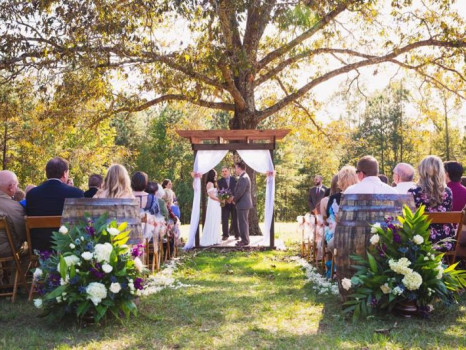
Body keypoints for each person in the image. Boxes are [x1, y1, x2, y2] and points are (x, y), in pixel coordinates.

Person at [26, 157, 84, 251]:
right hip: (68, 245)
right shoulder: (76, 193)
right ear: (64, 173)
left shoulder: (31, 194)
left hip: (39, 246)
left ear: (47, 173)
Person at [408, 156, 454, 251]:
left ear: (422, 171)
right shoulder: (448, 192)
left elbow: (409, 218)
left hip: (421, 241)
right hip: (445, 241)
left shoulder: (413, 192)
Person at [0, 170, 26, 258]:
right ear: (10, 187)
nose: (17, 188)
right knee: (28, 254)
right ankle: (15, 271)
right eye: (16, 185)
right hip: (5, 251)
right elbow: (23, 233)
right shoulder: (14, 207)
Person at [231, 161, 253, 247]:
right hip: (243, 203)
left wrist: (234, 200)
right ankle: (244, 239)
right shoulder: (244, 176)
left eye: (236, 168)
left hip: (243, 204)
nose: (235, 170)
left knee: (242, 223)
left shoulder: (244, 178)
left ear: (239, 168)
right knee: (243, 222)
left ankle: (244, 241)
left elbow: (240, 192)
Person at [200, 169, 222, 246]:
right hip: (213, 203)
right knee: (212, 219)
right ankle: (210, 238)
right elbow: (211, 196)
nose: (216, 177)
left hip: (217, 204)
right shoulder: (209, 184)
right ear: (211, 175)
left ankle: (215, 238)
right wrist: (219, 199)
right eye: (215, 175)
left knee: (216, 220)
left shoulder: (214, 184)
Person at [217, 166, 238, 240]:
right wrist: (226, 199)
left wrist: (233, 198)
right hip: (224, 203)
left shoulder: (235, 179)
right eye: (222, 171)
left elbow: (237, 190)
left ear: (229, 171)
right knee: (224, 219)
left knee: (235, 218)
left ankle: (237, 235)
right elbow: (219, 192)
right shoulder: (219, 181)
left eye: (225, 171)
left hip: (234, 202)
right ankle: (225, 235)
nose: (224, 172)